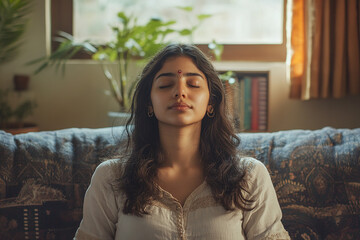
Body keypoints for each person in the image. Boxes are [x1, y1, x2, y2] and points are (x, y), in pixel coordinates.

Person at [74, 44, 290, 240]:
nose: (180, 92)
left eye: (193, 84)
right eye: (166, 85)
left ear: (211, 102)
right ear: (149, 103)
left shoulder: (249, 176)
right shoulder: (111, 178)